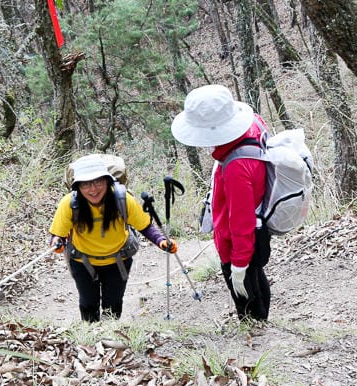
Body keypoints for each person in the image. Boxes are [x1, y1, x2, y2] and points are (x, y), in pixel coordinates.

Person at [170, 85, 272, 323]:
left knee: (248, 300)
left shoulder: (236, 167)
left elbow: (241, 222)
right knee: (257, 278)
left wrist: (238, 265)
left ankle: (255, 337)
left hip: (239, 245)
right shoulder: (253, 125)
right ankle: (261, 323)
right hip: (255, 234)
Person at [48, 155, 177, 322]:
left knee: (113, 304)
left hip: (118, 260)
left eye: (98, 182)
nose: (93, 189)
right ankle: (90, 336)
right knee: (88, 303)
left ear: (107, 181)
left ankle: (110, 336)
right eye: (86, 184)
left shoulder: (122, 199)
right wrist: (57, 243)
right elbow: (58, 234)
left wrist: (161, 241)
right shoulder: (69, 204)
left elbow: (144, 226)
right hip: (82, 262)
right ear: (78, 187)